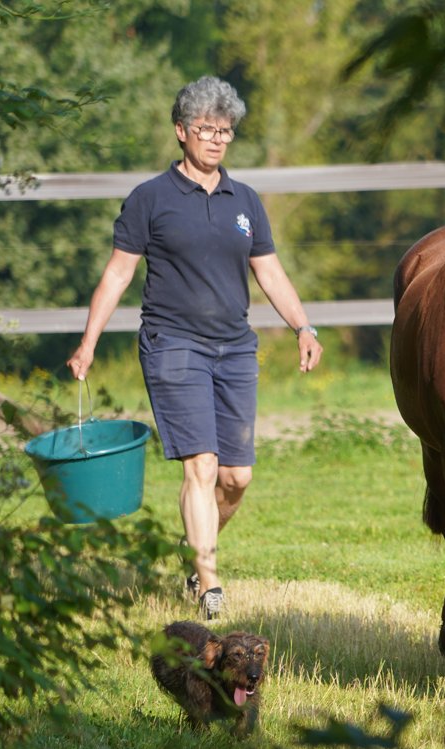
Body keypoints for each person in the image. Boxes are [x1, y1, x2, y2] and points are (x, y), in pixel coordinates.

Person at [68, 76, 323, 620]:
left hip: (235, 348)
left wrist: (304, 327)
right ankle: (209, 585)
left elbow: (270, 272)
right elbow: (117, 275)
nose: (216, 140)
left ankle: (194, 547)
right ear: (181, 131)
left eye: (225, 131)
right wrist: (88, 343)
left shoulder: (245, 200)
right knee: (201, 466)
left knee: (235, 477)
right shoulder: (149, 199)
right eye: (206, 129)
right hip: (172, 345)